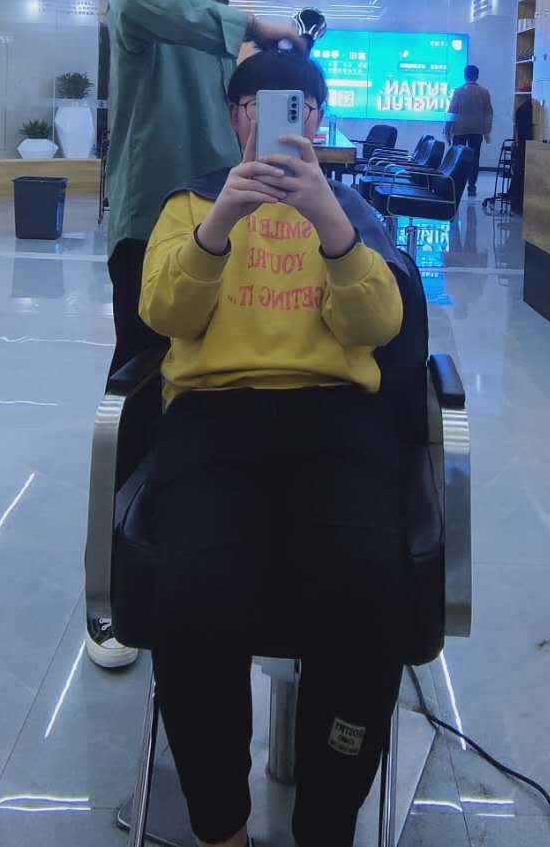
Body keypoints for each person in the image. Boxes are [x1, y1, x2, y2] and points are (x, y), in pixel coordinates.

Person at [139, 49, 407, 847]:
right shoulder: (189, 204)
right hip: (213, 413)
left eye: (298, 106)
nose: (278, 118)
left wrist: (330, 225)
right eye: (257, 105)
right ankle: (220, 823)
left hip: (334, 417)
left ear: (316, 120)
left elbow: (379, 326)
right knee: (192, 594)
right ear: (235, 117)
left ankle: (327, 819)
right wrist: (220, 223)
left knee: (367, 588)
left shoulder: (352, 210)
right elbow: (165, 315)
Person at [90, 0, 304, 668]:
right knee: (140, 390)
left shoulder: (227, 18)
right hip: (153, 225)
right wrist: (246, 22)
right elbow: (135, 7)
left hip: (225, 224)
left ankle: (196, 557)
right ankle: (113, 590)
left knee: (211, 391)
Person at [444, 63, 493, 197]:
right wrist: (487, 131)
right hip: (477, 130)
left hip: (459, 130)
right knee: (474, 159)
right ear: (477, 76)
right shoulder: (484, 92)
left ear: (465, 76)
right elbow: (488, 113)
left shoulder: (458, 91)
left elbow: (452, 111)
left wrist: (447, 130)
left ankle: (455, 184)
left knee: (457, 158)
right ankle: (472, 187)